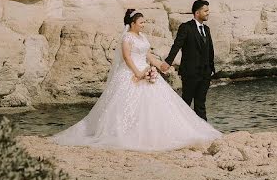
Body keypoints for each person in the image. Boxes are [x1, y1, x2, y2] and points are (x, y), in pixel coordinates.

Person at [53, 9, 221, 151]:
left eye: (144, 22)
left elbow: (148, 56)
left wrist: (162, 65)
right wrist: (138, 73)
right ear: (132, 23)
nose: (143, 25)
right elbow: (127, 58)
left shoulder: (142, 38)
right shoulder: (127, 38)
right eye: (141, 22)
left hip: (146, 71)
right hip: (131, 73)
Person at [163, 0, 216, 121]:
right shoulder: (186, 27)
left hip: (205, 73)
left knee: (200, 104)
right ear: (197, 13)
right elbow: (177, 45)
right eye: (205, 10)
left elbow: (210, 50)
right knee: (186, 103)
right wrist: (168, 62)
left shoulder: (206, 29)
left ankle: (205, 132)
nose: (208, 13)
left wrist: (211, 69)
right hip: (190, 73)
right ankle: (181, 129)